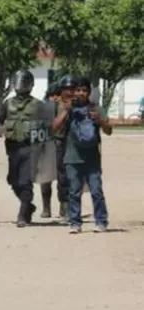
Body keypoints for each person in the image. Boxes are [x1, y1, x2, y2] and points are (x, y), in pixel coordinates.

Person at [53, 76, 111, 234]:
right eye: (78, 90)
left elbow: (109, 131)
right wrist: (66, 111)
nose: (81, 93)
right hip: (72, 157)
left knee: (96, 191)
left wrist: (100, 120)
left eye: (84, 90)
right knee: (74, 191)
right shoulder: (67, 108)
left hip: (92, 158)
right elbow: (55, 128)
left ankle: (101, 221)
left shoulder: (96, 108)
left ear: (89, 92)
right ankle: (74, 222)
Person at [0, 70, 45, 228]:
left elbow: (48, 126)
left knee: (25, 181)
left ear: (30, 84)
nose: (20, 85)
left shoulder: (38, 105)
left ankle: (22, 215)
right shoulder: (7, 104)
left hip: (31, 148)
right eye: (18, 82)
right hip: (13, 148)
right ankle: (28, 205)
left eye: (24, 82)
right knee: (13, 181)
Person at [41, 81, 68, 220]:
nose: (55, 97)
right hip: (46, 145)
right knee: (45, 179)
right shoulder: (43, 108)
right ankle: (46, 207)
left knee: (63, 178)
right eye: (52, 95)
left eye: (57, 95)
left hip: (61, 145)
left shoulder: (64, 107)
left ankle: (64, 207)